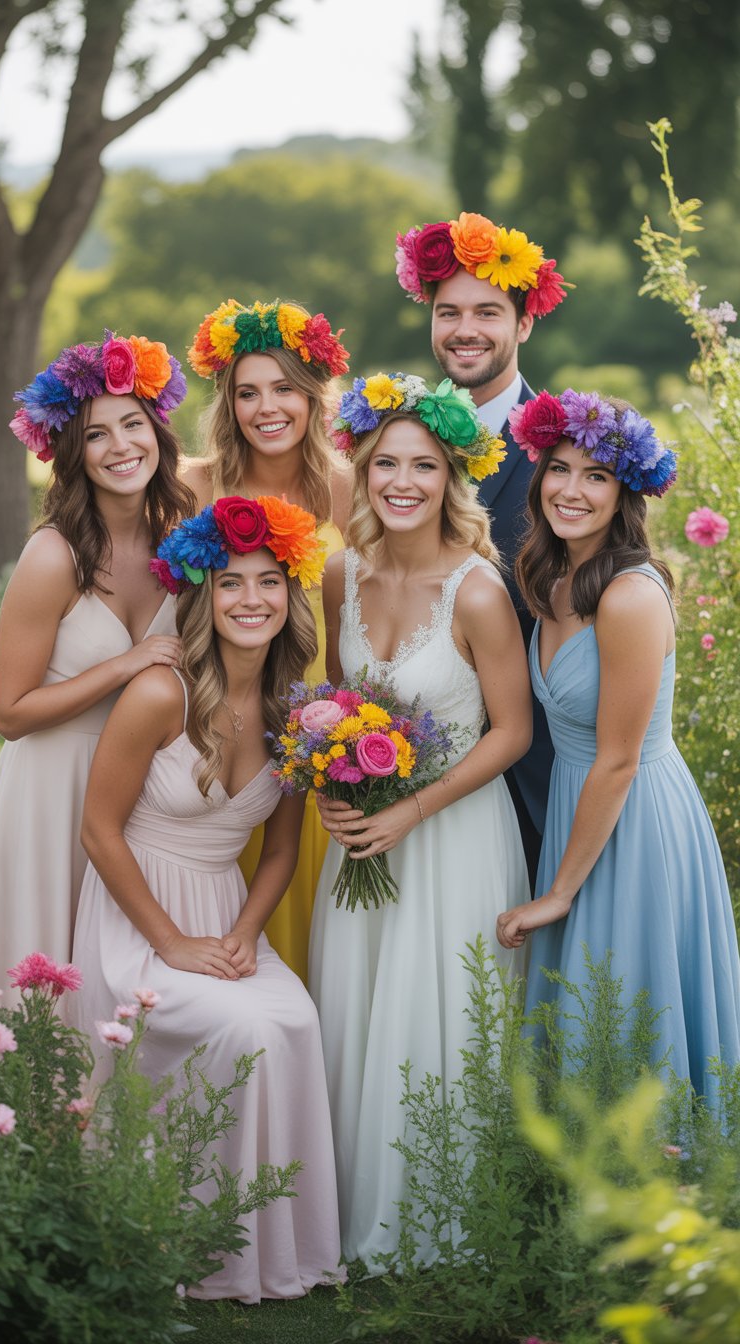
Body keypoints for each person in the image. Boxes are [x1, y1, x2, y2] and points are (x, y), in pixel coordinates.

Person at [72, 495, 344, 1302]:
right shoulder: (162, 693)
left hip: (228, 913)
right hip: (137, 910)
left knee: (290, 1017)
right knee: (235, 1023)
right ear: (204, 596)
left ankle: (269, 1246)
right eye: (231, 584)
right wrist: (171, 943)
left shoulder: (297, 716)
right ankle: (183, 1239)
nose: (251, 600)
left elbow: (284, 849)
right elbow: (98, 831)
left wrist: (242, 937)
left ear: (292, 598)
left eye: (268, 583)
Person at [308, 372, 532, 1267]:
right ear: (361, 472)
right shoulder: (338, 573)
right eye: (385, 464)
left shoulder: (477, 590)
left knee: (436, 1019)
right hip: (361, 839)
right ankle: (347, 1209)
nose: (402, 482)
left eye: (424, 467)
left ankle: (440, 1218)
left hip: (452, 838)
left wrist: (414, 809)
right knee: (359, 1011)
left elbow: (513, 731)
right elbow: (333, 703)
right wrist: (327, 775)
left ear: (452, 479)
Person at [495, 390, 740, 1108]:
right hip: (584, 806)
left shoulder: (630, 597)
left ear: (624, 491)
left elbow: (619, 759)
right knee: (583, 1016)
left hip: (633, 820)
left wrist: (560, 892)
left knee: (626, 1007)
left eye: (596, 475)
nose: (571, 489)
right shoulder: (550, 576)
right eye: (558, 469)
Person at [0, 332, 191, 1001]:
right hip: (49, 790)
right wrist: (126, 665)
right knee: (41, 986)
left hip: (136, 795)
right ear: (73, 453)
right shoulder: (53, 555)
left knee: (115, 985)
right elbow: (9, 713)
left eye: (134, 425)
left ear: (158, 432)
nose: (122, 446)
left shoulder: (179, 540)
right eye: (98, 436)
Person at [395, 213, 572, 887]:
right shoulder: (397, 447)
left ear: (524, 323)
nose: (464, 329)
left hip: (536, 781)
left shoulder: (566, 455)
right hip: (401, 769)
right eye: (448, 313)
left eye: (487, 311)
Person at [182, 298, 352, 981]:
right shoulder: (194, 487)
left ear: (313, 397)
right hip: (216, 745)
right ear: (228, 403)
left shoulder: (350, 492)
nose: (267, 407)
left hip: (321, 749)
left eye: (284, 388)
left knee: (316, 948)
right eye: (247, 392)